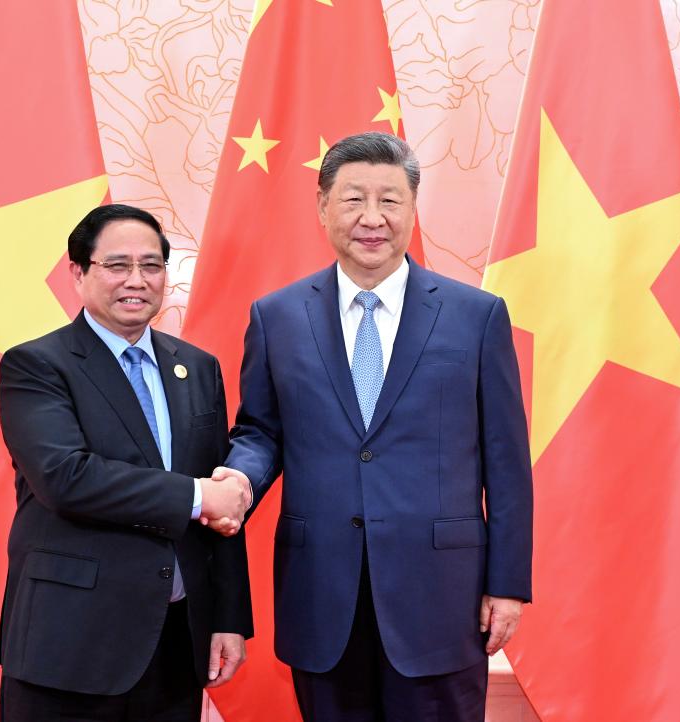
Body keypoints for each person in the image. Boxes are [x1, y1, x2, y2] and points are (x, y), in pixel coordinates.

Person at [215, 132, 533, 721]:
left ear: (412, 208)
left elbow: (507, 460)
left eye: (389, 200)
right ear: (322, 207)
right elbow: (261, 431)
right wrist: (238, 478)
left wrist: (508, 583)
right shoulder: (276, 316)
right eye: (353, 198)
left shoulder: (476, 315)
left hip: (442, 594)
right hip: (321, 589)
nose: (372, 218)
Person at [0, 204, 253, 721]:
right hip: (70, 645)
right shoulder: (37, 365)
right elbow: (66, 478)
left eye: (151, 265)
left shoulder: (197, 367)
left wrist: (228, 617)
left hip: (176, 642)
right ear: (78, 272)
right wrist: (197, 495)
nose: (137, 280)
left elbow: (221, 504)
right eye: (117, 265)